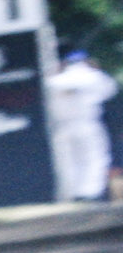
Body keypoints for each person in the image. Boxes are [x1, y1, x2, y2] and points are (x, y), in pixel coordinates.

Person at [47, 48, 117, 203]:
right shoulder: (95, 76)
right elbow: (110, 91)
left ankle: (73, 193)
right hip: (87, 123)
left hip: (62, 126)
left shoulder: (53, 80)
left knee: (68, 160)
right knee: (94, 157)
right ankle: (91, 194)